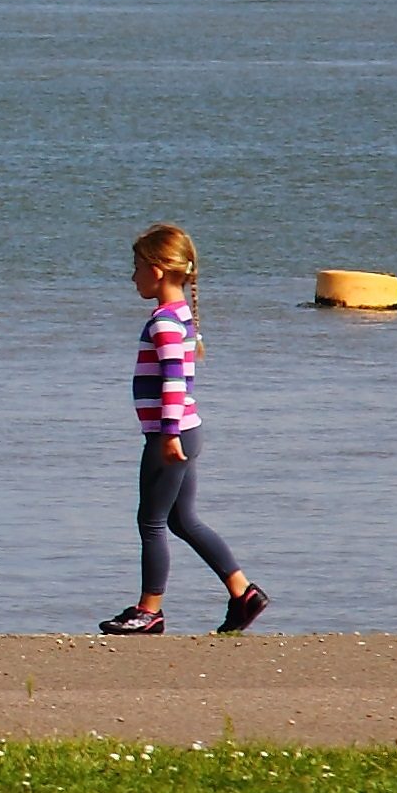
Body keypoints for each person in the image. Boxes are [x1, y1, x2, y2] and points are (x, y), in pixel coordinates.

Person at [104, 222, 265, 636]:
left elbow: (175, 379)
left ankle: (149, 610)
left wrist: (169, 434)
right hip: (182, 430)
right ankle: (242, 592)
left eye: (137, 267)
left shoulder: (163, 320)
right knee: (182, 521)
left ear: (157, 270)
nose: (132, 276)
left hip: (170, 434)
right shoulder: (180, 315)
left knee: (151, 522)